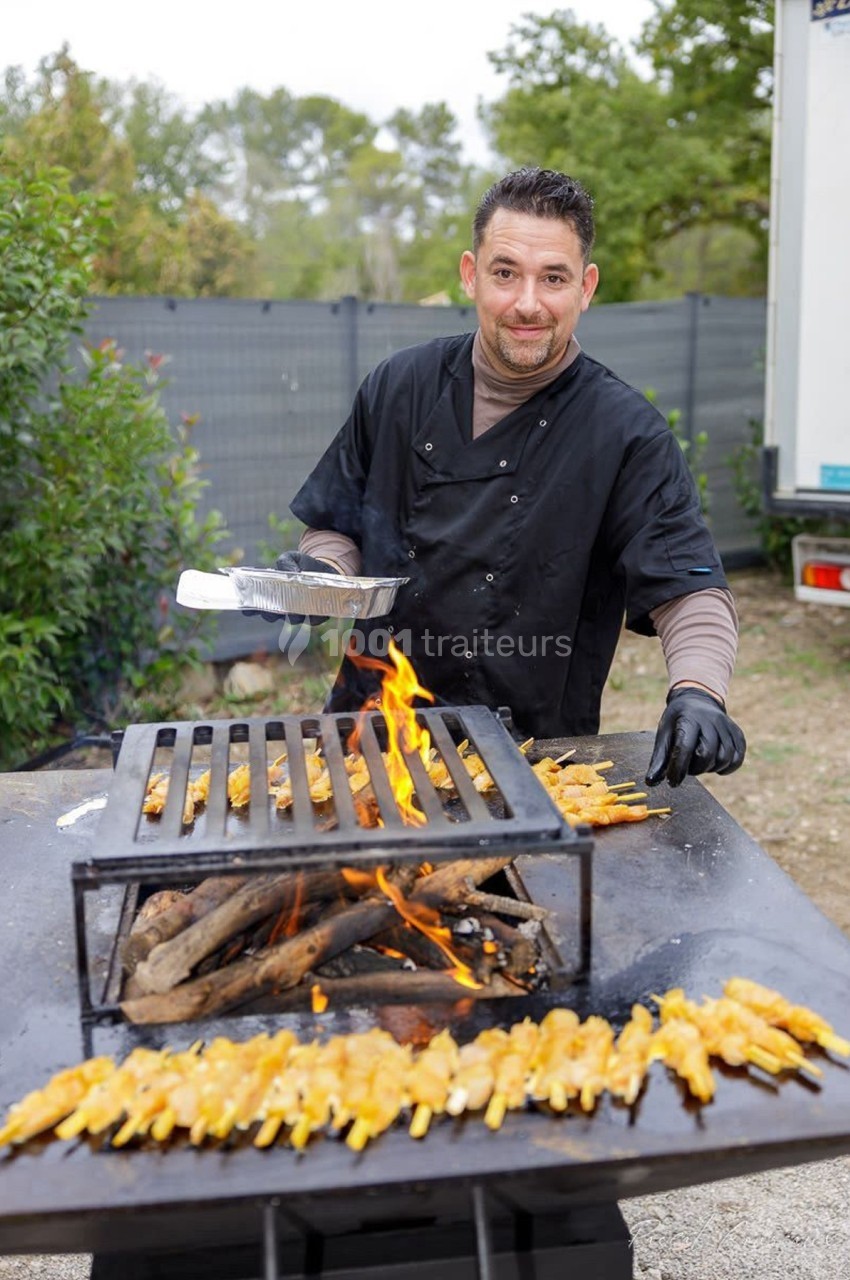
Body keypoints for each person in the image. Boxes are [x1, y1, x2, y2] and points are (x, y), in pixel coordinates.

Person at [270, 167, 745, 788]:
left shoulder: (625, 433)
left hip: (530, 758)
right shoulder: (399, 387)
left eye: (553, 278)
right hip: (369, 736)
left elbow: (690, 588)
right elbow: (336, 527)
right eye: (505, 273)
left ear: (586, 286)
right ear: (471, 274)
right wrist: (323, 579)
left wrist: (698, 691)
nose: (527, 303)